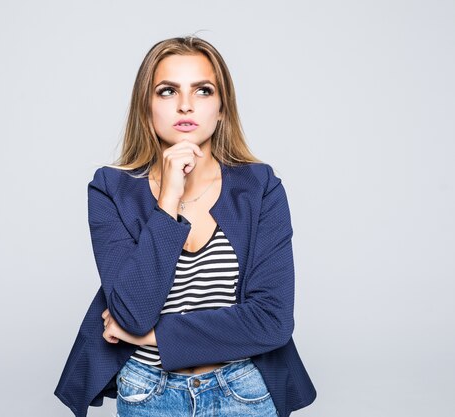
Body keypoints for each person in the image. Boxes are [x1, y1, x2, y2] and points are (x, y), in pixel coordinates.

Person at [54, 36, 316, 417]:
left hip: (243, 390)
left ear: (222, 108)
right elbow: (131, 313)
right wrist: (168, 200)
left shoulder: (260, 188)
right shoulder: (111, 189)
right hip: (147, 390)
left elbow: (271, 321)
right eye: (167, 91)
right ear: (146, 108)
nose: (185, 104)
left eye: (203, 90)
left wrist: (150, 336)